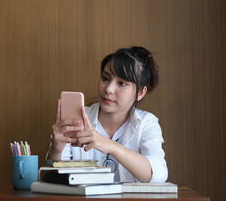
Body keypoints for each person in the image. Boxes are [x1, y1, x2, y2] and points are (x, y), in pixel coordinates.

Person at [47, 47, 168, 183]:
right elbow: (56, 179)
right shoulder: (77, 116)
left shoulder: (147, 123)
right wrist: (55, 150)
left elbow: (158, 176)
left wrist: (112, 146)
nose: (108, 89)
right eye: (105, 78)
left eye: (122, 83)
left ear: (140, 93)